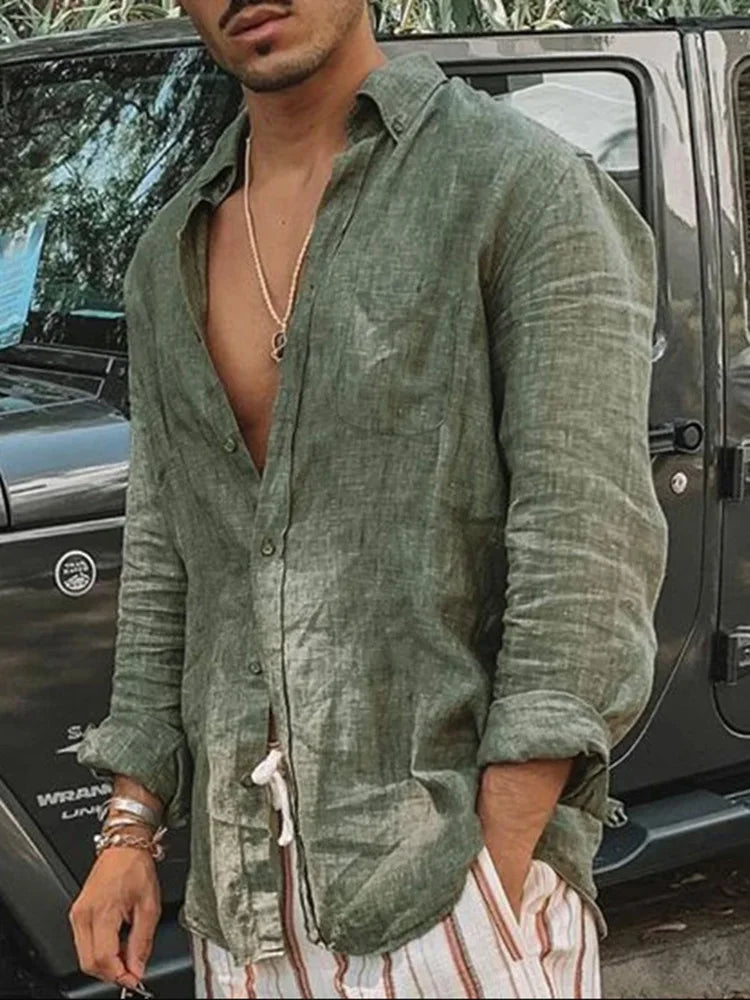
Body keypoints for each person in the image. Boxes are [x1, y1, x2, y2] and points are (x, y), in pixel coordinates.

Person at [69, 1, 669, 997]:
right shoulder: (168, 253)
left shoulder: (517, 185)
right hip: (243, 914)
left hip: (452, 896)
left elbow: (586, 544)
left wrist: (497, 867)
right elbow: (170, 560)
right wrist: (130, 825)